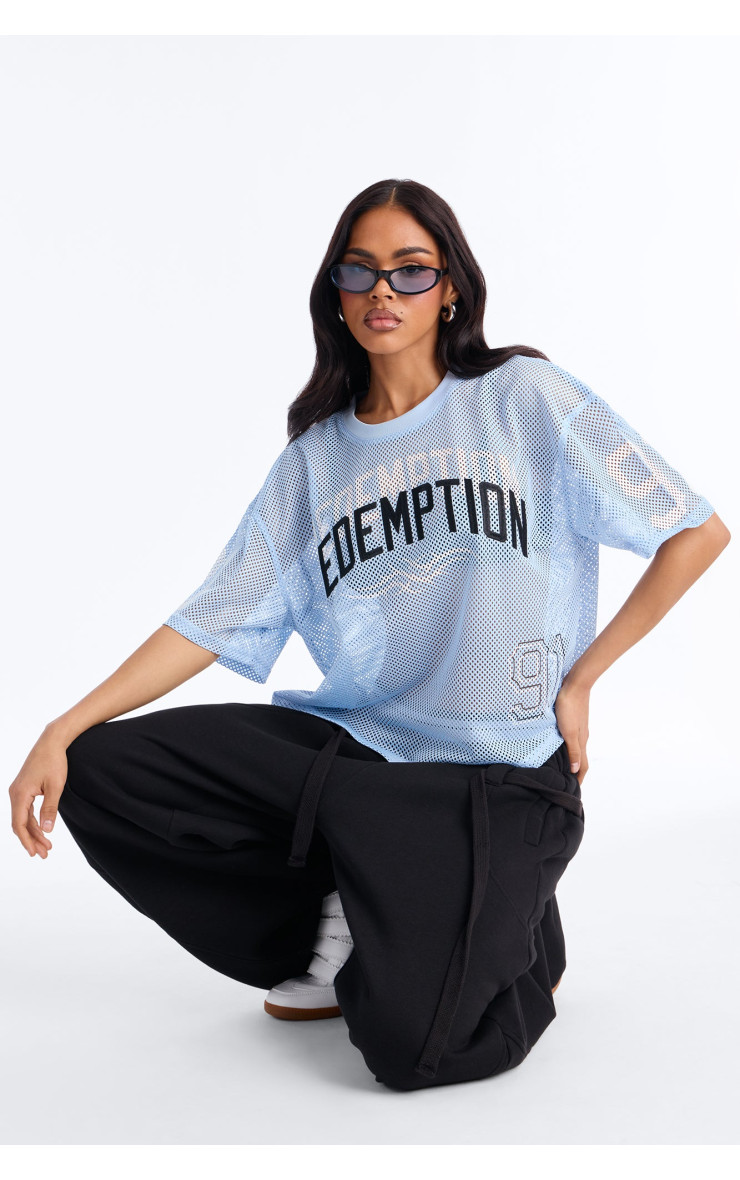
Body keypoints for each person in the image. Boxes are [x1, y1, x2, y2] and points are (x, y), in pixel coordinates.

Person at [9, 179, 730, 1092]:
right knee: (103, 768)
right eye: (360, 271)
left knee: (411, 1051)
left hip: (496, 770)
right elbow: (212, 617)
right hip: (360, 757)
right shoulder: (315, 460)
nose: (383, 289)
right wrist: (61, 727)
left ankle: (514, 929)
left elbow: (693, 530)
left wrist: (582, 680)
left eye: (410, 270)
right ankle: (346, 906)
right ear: (338, 294)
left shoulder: (524, 399)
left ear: (450, 288)